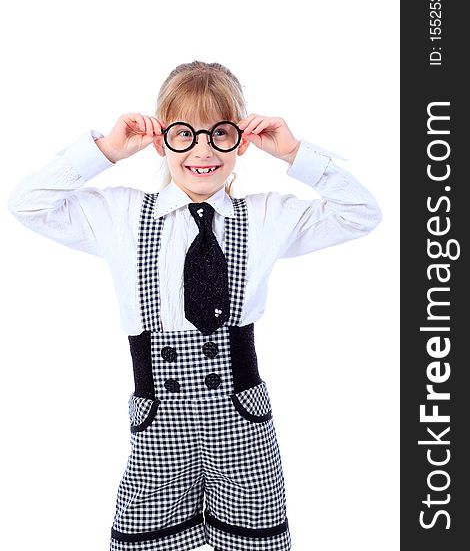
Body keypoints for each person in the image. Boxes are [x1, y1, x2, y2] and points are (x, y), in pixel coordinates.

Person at [7, 60, 382, 551]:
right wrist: (105, 151)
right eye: (185, 134)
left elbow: (361, 215)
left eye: (219, 134)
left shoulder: (266, 215)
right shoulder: (119, 214)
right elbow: (27, 204)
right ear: (162, 140)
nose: (203, 151)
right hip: (156, 433)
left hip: (243, 430)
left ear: (241, 141)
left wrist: (295, 154)